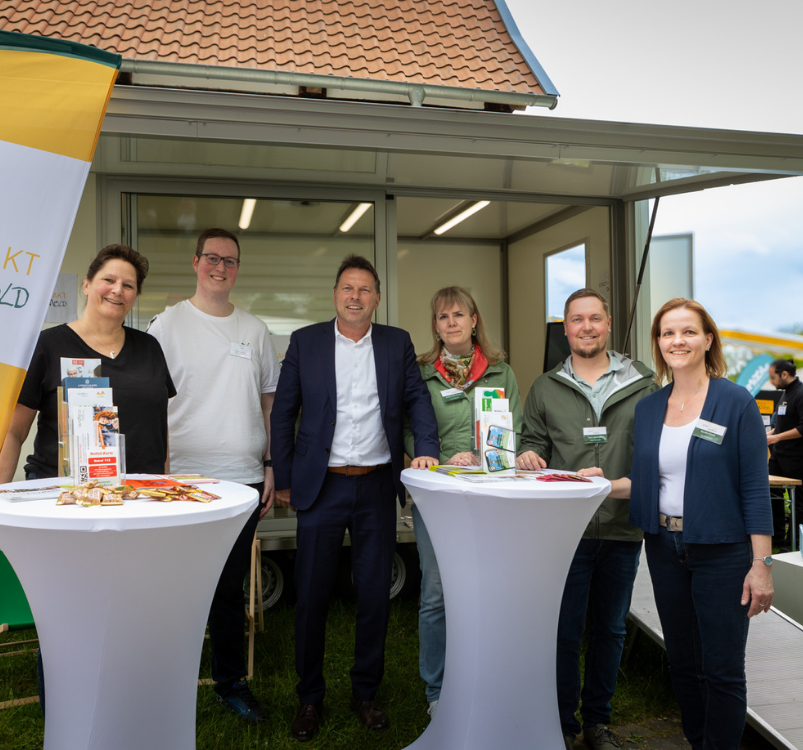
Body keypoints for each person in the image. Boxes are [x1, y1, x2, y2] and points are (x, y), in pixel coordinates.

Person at [0, 244, 175, 709]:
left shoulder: (149, 348)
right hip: (64, 505)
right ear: (87, 284)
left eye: (128, 285)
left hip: (135, 505)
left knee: (131, 612)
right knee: (67, 617)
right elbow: (14, 432)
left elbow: (159, 429)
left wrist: (165, 492)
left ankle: (121, 707)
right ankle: (66, 714)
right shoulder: (49, 345)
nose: (117, 290)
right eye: (108, 280)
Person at [580, 298, 773, 750]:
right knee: (683, 664)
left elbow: (754, 486)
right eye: (668, 333)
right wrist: (600, 484)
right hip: (664, 547)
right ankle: (698, 741)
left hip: (722, 551)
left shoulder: (735, 402)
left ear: (707, 340)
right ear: (658, 343)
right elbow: (646, 481)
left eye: (688, 331)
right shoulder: (650, 408)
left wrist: (761, 564)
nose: (677, 341)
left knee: (722, 669)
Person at [271, 255, 440, 742]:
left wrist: (427, 449)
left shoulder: (395, 342)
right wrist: (284, 477)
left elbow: (416, 401)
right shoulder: (305, 342)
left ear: (377, 299)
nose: (355, 296)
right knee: (311, 595)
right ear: (335, 295)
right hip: (320, 486)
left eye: (365, 289)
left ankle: (365, 693)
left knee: (374, 593)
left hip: (375, 486)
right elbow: (284, 412)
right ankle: (309, 698)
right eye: (348, 288)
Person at [147, 227, 278, 723]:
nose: (220, 267)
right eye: (212, 258)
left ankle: (230, 683)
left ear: (238, 269)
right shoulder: (166, 325)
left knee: (228, 589)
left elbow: (269, 405)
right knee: (174, 587)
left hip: (242, 480)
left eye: (230, 260)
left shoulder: (256, 330)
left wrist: (270, 466)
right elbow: (150, 403)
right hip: (182, 480)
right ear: (196, 262)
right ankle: (165, 679)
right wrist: (157, 472)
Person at [517, 288, 656, 750]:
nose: (587, 327)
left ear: (608, 324)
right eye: (577, 319)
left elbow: (656, 451)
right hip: (565, 530)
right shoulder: (545, 387)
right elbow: (532, 441)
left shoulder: (643, 383)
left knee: (610, 628)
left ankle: (597, 722)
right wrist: (528, 455)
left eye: (595, 318)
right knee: (564, 629)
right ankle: (562, 723)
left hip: (622, 525)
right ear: (566, 328)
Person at [402, 286, 522, 717]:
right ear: (435, 326)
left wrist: (490, 455)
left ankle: (481, 679)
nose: (451, 322)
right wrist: (434, 456)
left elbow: (513, 428)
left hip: (489, 495)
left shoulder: (501, 371)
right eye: (442, 316)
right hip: (438, 496)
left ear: (474, 320)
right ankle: (437, 691)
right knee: (436, 592)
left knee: (485, 590)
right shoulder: (421, 372)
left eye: (458, 314)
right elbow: (407, 428)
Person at [767, 359, 803, 550]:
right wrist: (770, 434)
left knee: (798, 503)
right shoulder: (785, 393)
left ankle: (793, 543)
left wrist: (777, 437)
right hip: (777, 456)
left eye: (772, 377)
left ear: (784, 374)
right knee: (773, 498)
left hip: (796, 458)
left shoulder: (801, 393)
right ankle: (777, 539)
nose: (771, 381)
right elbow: (782, 424)